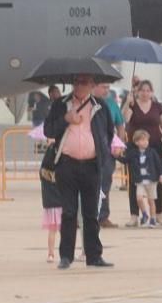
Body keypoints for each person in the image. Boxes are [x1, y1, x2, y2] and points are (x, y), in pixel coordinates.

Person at [43, 74, 115, 270]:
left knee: (91, 212)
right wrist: (66, 119)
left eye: (83, 82)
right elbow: (48, 130)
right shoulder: (60, 104)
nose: (79, 86)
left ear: (92, 85)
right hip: (67, 164)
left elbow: (108, 132)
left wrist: (102, 152)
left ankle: (94, 255)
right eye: (76, 82)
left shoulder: (100, 106)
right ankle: (66, 255)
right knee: (69, 211)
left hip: (92, 164)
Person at [123, 80, 162, 225]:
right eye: (142, 90)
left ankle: (159, 214)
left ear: (152, 92)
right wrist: (127, 103)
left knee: (157, 179)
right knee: (134, 180)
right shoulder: (132, 104)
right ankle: (134, 215)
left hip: (154, 145)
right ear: (137, 91)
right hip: (135, 146)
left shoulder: (157, 106)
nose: (145, 93)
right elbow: (125, 118)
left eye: (148, 90)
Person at [116, 130, 162, 227]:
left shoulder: (152, 152)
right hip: (139, 180)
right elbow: (125, 160)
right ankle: (145, 214)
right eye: (142, 140)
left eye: (146, 140)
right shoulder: (133, 153)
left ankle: (153, 219)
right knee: (139, 198)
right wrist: (116, 156)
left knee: (151, 200)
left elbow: (158, 164)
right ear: (136, 142)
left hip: (151, 180)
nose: (145, 142)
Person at [98, 82, 125, 229]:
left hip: (108, 151)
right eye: (103, 86)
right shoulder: (89, 103)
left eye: (108, 87)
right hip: (91, 149)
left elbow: (120, 124)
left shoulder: (111, 104)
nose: (106, 90)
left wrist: (119, 145)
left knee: (105, 183)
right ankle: (81, 217)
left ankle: (103, 216)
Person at [40, 130, 64, 262]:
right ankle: (64, 253)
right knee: (62, 230)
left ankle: (51, 254)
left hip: (50, 202)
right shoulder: (63, 171)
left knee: (52, 230)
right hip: (60, 201)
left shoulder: (44, 173)